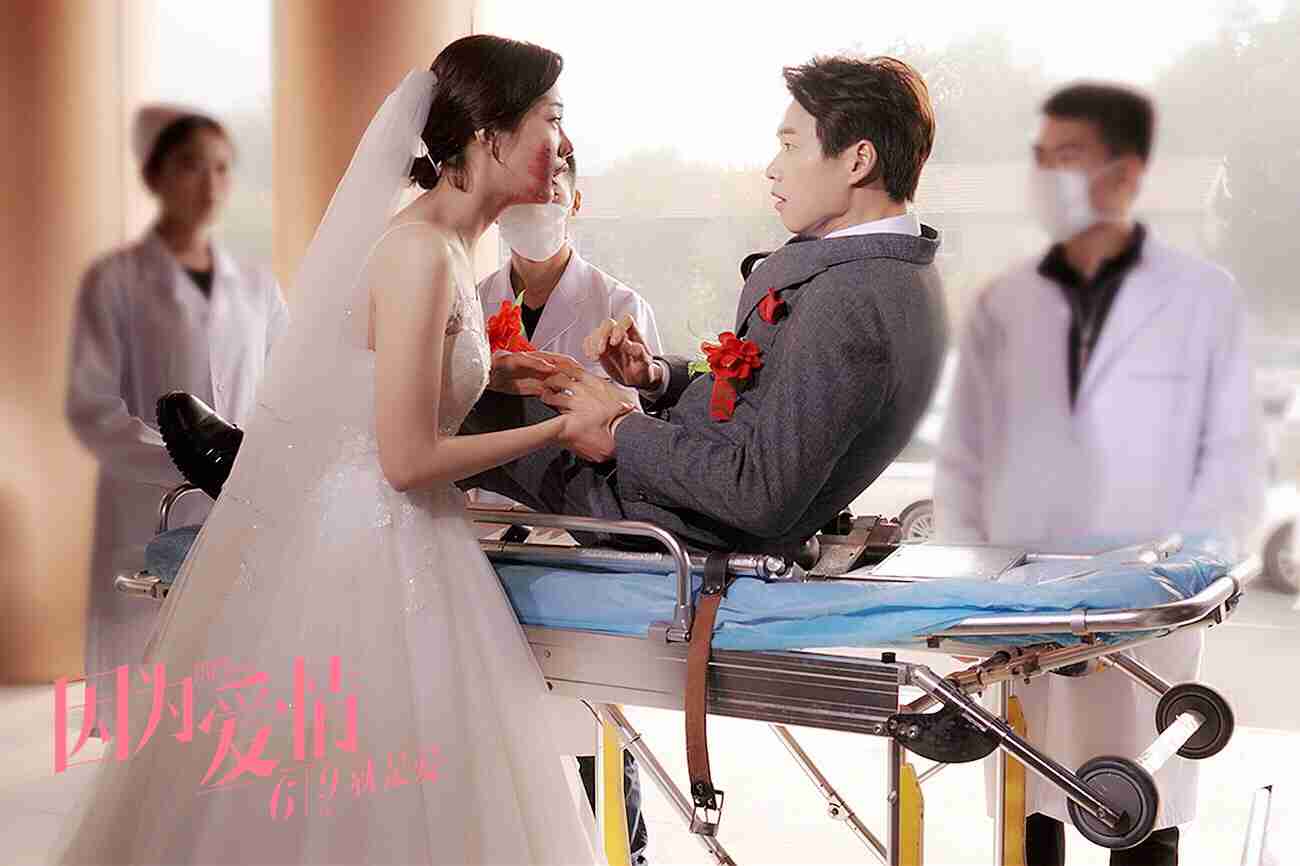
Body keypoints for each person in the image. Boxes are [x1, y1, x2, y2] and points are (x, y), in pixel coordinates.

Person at [55, 35, 604, 865]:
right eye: (551, 119)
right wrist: (564, 426)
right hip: (368, 542)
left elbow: (398, 373)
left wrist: (501, 372)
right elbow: (406, 461)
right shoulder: (418, 250)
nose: (562, 145)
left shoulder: (450, 243)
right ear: (489, 134)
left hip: (405, 529)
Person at [934, 82, 1264, 865]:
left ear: (1126, 172)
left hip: (1147, 597)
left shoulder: (1200, 297)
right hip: (1024, 602)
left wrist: (1206, 565)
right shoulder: (1004, 302)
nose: (1050, 177)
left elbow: (1232, 454)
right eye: (1042, 159)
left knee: (1139, 802)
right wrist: (958, 598)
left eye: (1071, 157)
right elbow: (964, 460)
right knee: (1026, 810)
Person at [463, 55, 948, 559]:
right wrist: (656, 376)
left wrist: (618, 428)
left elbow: (761, 495)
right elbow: (764, 390)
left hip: (670, 517)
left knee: (456, 405)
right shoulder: (892, 271)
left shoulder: (851, 298)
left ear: (858, 161)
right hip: (678, 486)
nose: (773, 168)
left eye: (790, 146)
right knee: (489, 393)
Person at [66, 104, 288, 719]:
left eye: (221, 168)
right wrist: (187, 457)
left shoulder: (259, 285)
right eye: (191, 166)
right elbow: (92, 410)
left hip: (243, 500)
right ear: (155, 176)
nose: (210, 183)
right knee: (150, 707)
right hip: (150, 508)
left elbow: (286, 388)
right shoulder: (112, 282)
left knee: (233, 699)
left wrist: (248, 461)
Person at [479, 152, 659, 863]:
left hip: (574, 535)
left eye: (553, 187)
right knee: (499, 721)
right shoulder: (470, 299)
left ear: (575, 202)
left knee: (591, 718)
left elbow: (638, 434)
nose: (538, 200)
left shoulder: (618, 304)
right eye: (525, 189)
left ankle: (624, 852)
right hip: (487, 529)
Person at [480, 152, 662, 367]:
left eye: (552, 193)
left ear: (575, 202)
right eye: (517, 194)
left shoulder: (623, 306)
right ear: (494, 210)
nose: (533, 208)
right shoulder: (472, 305)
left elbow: (647, 385)